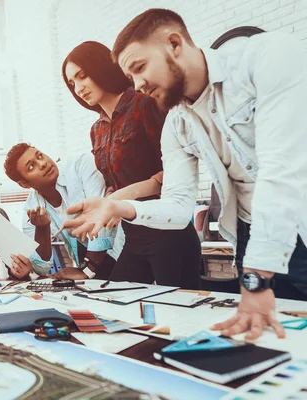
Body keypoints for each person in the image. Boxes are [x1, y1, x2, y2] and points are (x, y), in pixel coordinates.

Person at [64, 8, 307, 340]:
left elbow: (280, 174)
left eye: (139, 67)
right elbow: (178, 206)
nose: (138, 85)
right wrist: (117, 207)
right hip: (250, 238)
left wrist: (257, 278)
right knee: (275, 342)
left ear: (174, 43)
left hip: (293, 225)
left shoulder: (269, 54)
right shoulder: (177, 121)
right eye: (130, 76)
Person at [61, 40, 201, 288]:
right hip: (134, 235)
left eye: (82, 76)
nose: (78, 88)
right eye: (72, 83)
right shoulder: (97, 130)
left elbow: (176, 173)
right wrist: (107, 202)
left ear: (101, 67)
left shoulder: (144, 104)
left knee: (179, 317)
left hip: (169, 232)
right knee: (116, 305)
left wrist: (121, 198)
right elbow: (115, 181)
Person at [4, 143, 121, 280]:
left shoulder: (81, 165)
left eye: (40, 156)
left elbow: (102, 215)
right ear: (24, 184)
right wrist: (43, 228)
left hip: (123, 251)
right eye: (31, 166)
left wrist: (88, 269)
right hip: (90, 269)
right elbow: (42, 267)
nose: (42, 164)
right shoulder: (31, 209)